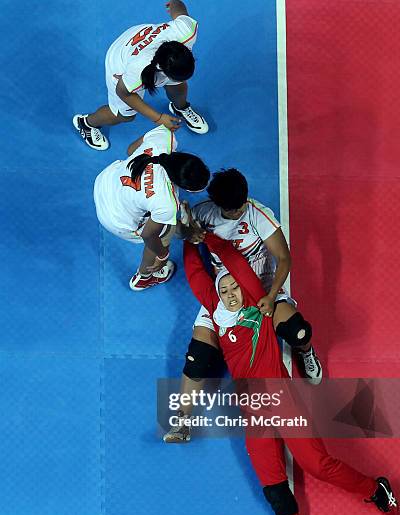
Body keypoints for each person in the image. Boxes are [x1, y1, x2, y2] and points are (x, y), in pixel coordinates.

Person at [181, 232, 399, 515]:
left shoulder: (256, 303)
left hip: (282, 400)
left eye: (235, 287)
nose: (231, 292)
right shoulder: (217, 315)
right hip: (253, 413)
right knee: (273, 486)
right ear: (217, 296)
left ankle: (377, 489)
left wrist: (212, 241)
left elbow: (237, 266)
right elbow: (195, 276)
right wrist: (189, 241)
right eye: (225, 290)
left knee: (318, 465)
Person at [163, 168, 321, 443]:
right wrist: (189, 230)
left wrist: (271, 297)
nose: (239, 211)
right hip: (224, 293)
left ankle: (306, 353)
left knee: (298, 331)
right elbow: (177, 232)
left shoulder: (258, 215)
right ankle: (182, 423)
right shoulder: (204, 212)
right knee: (197, 359)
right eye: (233, 210)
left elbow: (284, 258)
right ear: (218, 204)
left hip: (261, 290)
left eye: (242, 205)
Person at [73, 1, 208, 151]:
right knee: (125, 116)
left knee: (179, 86)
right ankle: (85, 123)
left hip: (143, 38)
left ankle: (180, 108)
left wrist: (173, 3)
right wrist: (158, 118)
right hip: (120, 59)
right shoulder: (139, 68)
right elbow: (123, 92)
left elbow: (179, 6)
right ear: (163, 71)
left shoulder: (185, 31)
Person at [93, 125, 209, 290]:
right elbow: (148, 235)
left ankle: (185, 231)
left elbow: (130, 150)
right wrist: (162, 255)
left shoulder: (165, 136)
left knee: (162, 218)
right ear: (185, 187)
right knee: (164, 233)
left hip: (105, 182)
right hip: (115, 218)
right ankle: (144, 277)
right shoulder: (167, 203)